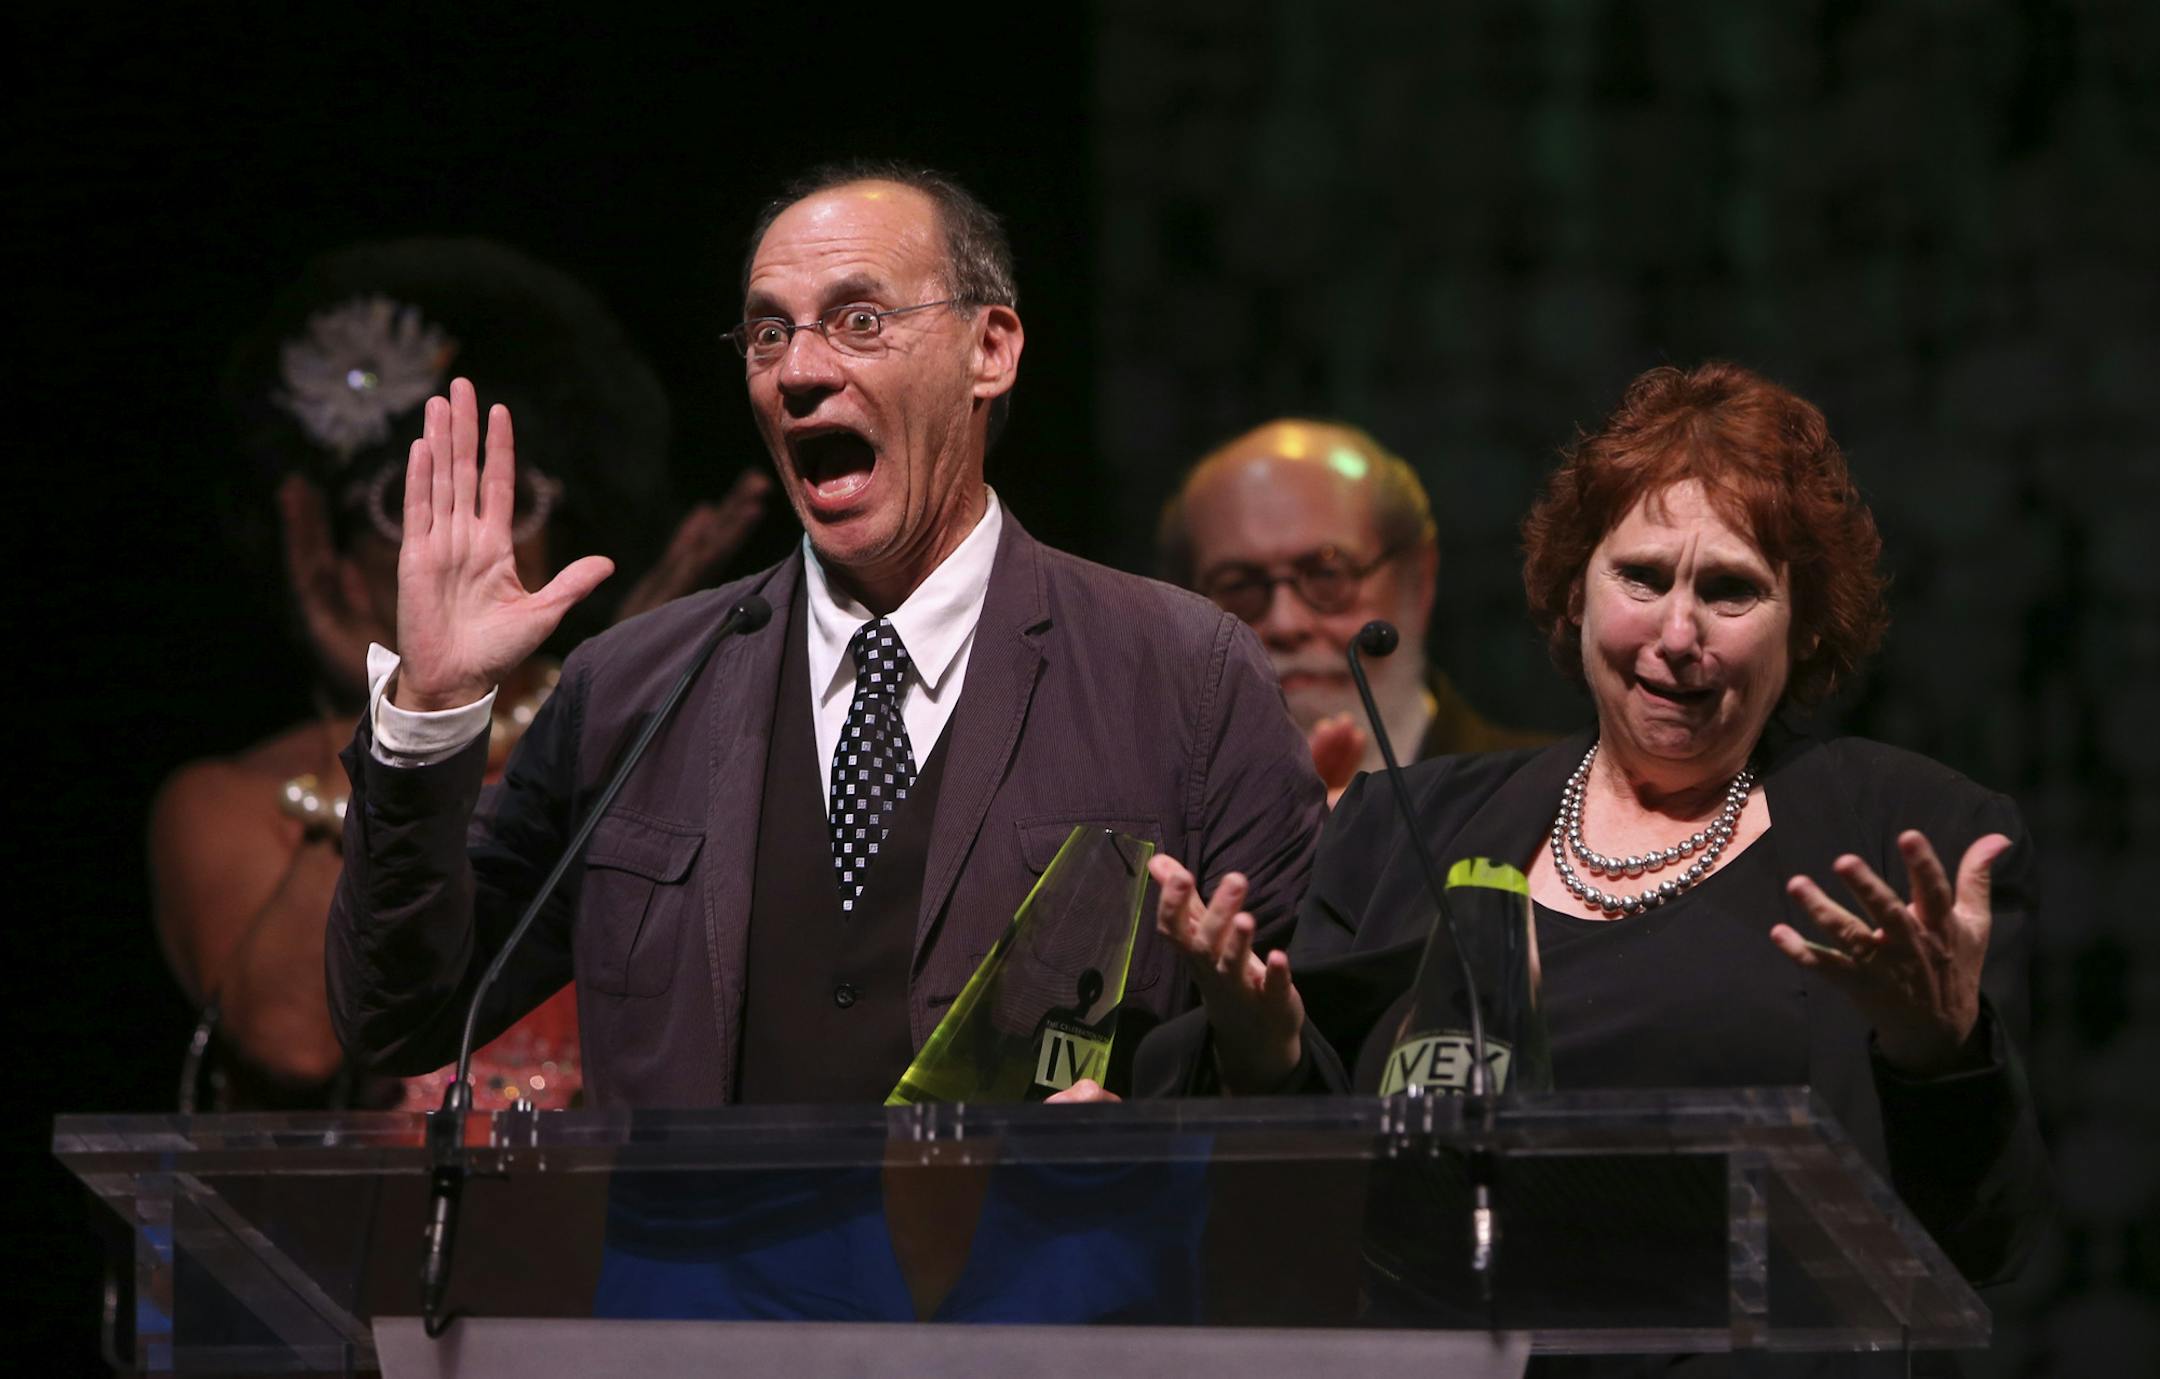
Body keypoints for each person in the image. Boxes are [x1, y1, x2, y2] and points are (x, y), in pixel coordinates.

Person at [325, 161, 1322, 1108]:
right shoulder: (632, 686)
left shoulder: (1181, 674)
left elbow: (1319, 1068)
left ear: (990, 349)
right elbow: (397, 1015)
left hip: (1041, 1240)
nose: (798, 370)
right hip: (691, 1242)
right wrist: (430, 709)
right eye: (768, 334)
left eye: (860, 320)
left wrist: (1184, 1111)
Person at [1140, 362, 2049, 1295]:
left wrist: (1938, 1055)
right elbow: (1306, 1215)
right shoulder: (1401, 830)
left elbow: (1983, 1244)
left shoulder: (1909, 839)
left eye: (1730, 590)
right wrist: (1265, 1051)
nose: (1677, 634)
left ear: (1807, 626)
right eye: (1641, 577)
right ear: (1577, 592)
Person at [150, 238, 767, 1110]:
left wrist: (623, 691)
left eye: (514, 497)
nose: (483, 534)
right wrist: (391, 724)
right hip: (396, 1203)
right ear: (333, 557)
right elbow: (294, 1041)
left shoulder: (639, 745)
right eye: (415, 504)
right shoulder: (228, 800)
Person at [1159, 420, 1548, 803]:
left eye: (1327, 575)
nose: (1285, 623)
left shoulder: (1548, 799)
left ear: (1419, 580)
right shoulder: (1156, 816)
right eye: (1239, 587)